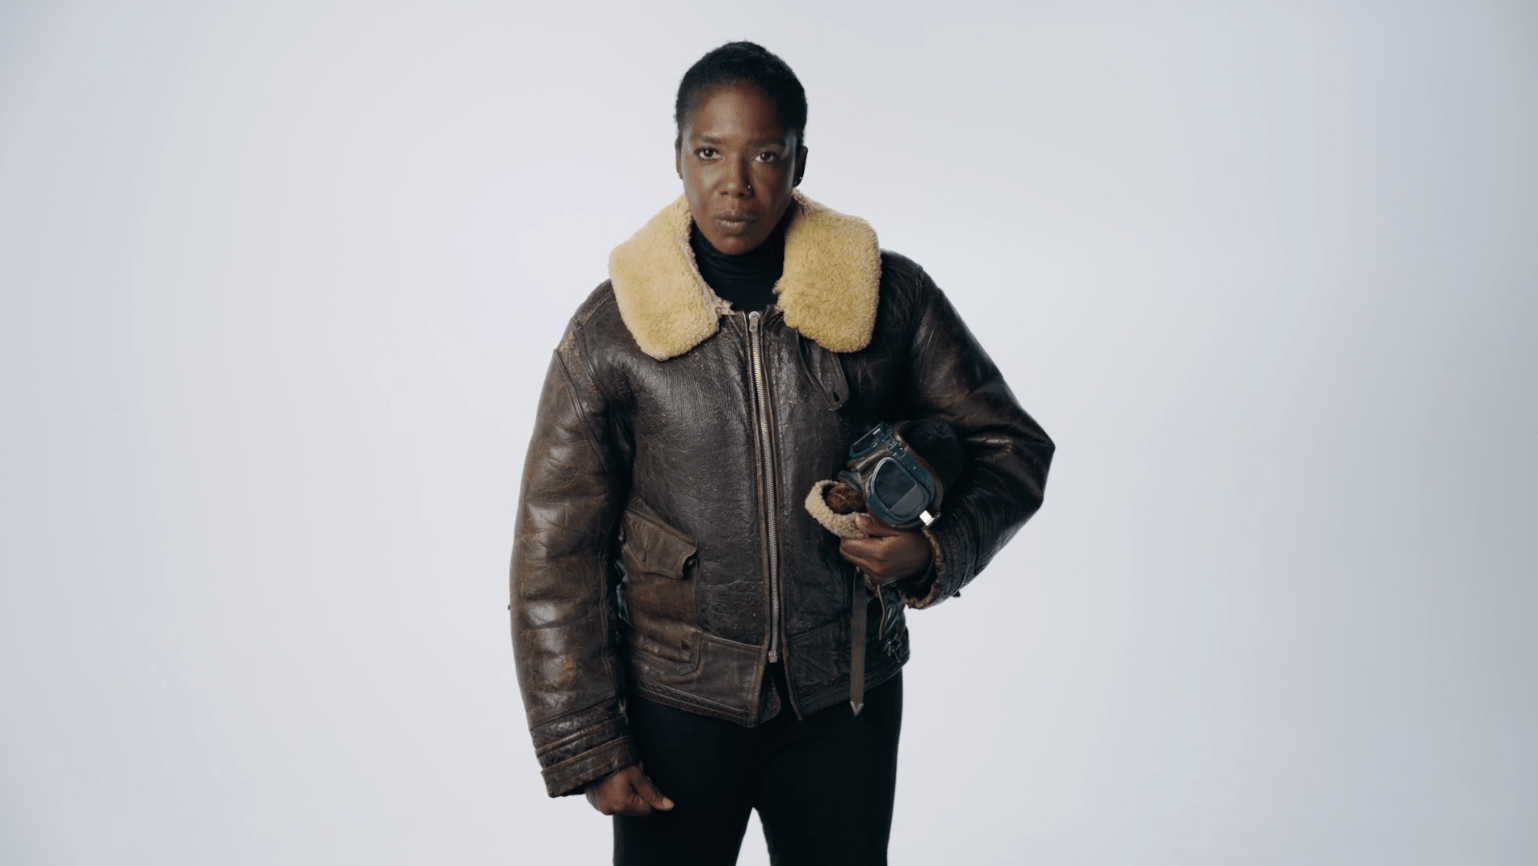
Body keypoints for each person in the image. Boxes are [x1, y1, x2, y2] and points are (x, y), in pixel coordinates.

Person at [510, 42, 1054, 865]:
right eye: (709, 152)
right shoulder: (612, 331)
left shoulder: (889, 296)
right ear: (678, 156)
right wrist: (587, 740)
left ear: (799, 161)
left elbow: (1011, 446)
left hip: (846, 700)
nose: (735, 183)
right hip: (674, 707)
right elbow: (555, 551)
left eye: (765, 155)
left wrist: (934, 553)